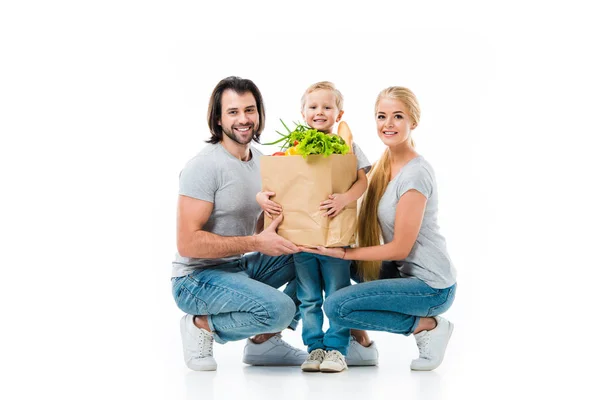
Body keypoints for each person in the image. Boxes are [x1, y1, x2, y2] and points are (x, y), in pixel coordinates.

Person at [303, 86, 458, 371]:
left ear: (414, 121)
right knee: (317, 260)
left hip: (430, 286)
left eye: (398, 116)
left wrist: (344, 254)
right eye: (381, 116)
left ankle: (427, 326)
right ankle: (359, 344)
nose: (388, 124)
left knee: (337, 306)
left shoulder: (416, 173)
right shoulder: (382, 164)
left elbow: (400, 247)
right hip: (399, 272)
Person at [171, 76, 308, 371]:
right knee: (280, 309)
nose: (243, 119)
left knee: (311, 258)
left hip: (237, 267)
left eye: (250, 110)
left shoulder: (262, 162)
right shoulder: (204, 166)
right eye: (233, 112)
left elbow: (262, 229)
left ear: (259, 114)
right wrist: (256, 243)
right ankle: (201, 324)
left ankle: (264, 342)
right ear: (218, 119)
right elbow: (188, 243)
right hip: (196, 279)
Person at [257, 82, 373, 373]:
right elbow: (277, 184)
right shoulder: (293, 145)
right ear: (302, 112)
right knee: (308, 298)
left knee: (336, 295)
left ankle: (336, 350)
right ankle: (315, 348)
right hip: (302, 240)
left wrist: (345, 198)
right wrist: (262, 197)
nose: (319, 112)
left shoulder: (349, 146)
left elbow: (362, 180)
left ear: (339, 113)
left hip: (334, 239)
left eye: (327, 107)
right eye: (313, 107)